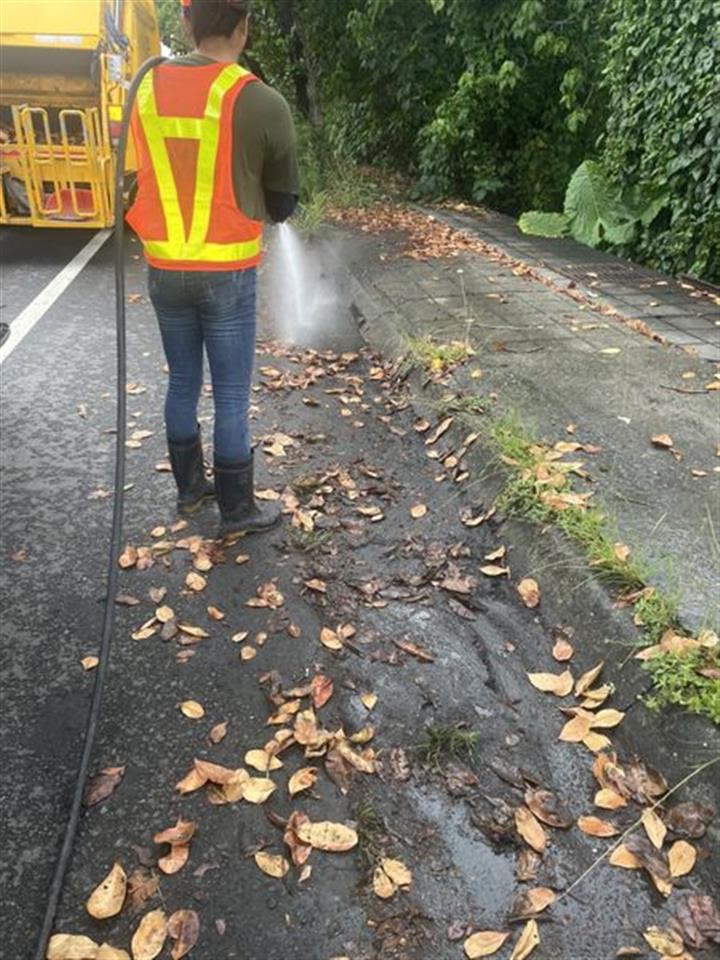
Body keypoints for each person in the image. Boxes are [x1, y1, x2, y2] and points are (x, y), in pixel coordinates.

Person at [127, 0, 299, 535]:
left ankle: (189, 492)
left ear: (186, 22)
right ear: (244, 27)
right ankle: (237, 510)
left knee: (181, 381)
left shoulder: (145, 90)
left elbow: (136, 174)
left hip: (164, 272)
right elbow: (284, 205)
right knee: (230, 394)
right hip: (226, 276)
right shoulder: (262, 100)